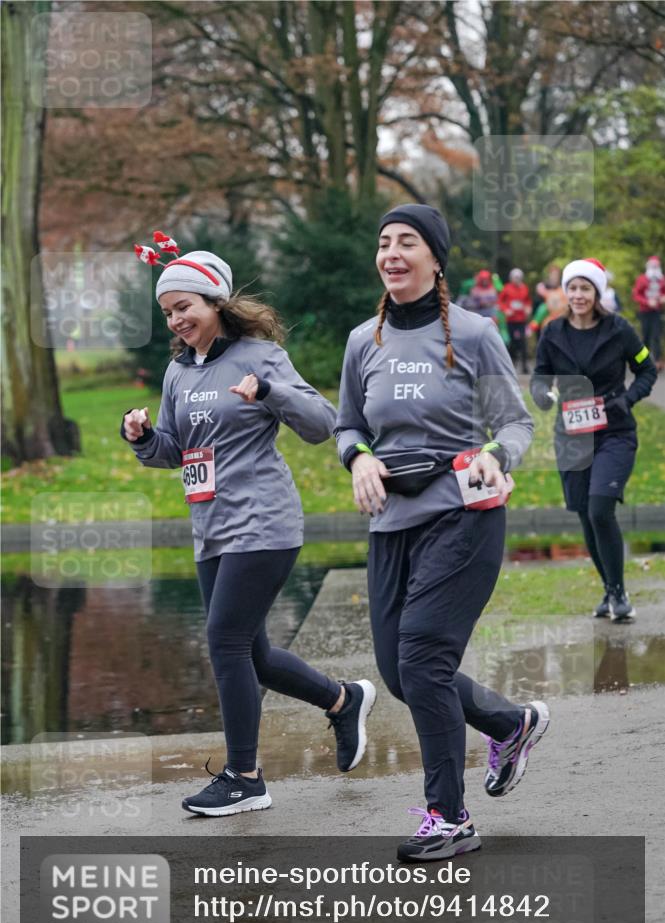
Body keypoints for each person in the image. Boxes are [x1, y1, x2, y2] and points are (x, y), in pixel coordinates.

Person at [122, 241, 376, 816]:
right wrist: (142, 438)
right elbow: (175, 449)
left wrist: (267, 391)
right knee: (251, 652)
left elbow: (322, 422)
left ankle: (245, 776)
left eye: (184, 306)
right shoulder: (178, 371)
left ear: (215, 301)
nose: (176, 320)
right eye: (167, 312)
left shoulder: (259, 356)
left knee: (225, 642)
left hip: (263, 520)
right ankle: (343, 699)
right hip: (210, 527)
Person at [335, 203, 548, 863]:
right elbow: (348, 425)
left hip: (463, 514)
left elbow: (515, 422)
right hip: (390, 522)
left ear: (434, 258)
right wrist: (358, 459)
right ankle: (510, 724)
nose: (391, 253)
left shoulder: (475, 332)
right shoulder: (361, 341)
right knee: (400, 673)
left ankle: (447, 817)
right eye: (384, 242)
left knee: (422, 657)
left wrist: (496, 455)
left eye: (407, 242)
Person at [530, 258, 657, 621]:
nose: (578, 295)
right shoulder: (553, 332)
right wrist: (542, 394)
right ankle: (610, 590)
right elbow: (540, 376)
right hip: (571, 437)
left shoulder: (619, 329)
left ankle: (618, 594)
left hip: (614, 433)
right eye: (572, 288)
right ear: (565, 292)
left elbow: (646, 369)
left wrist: (627, 400)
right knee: (586, 516)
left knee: (601, 508)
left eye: (585, 288)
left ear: (597, 293)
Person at [632, 256, 665, 369]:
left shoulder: (662, 280)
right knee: (645, 336)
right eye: (652, 266)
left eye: (656, 266)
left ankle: (657, 362)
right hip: (644, 312)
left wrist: (663, 298)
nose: (654, 268)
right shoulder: (642, 279)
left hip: (657, 312)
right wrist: (647, 302)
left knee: (656, 336)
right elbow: (636, 294)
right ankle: (642, 360)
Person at [498, 268, 532, 373]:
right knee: (512, 342)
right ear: (511, 278)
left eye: (519, 277)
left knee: (523, 342)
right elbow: (500, 302)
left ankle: (524, 366)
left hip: (521, 320)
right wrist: (506, 310)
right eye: (515, 277)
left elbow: (528, 301)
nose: (517, 279)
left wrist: (528, 308)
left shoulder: (524, 288)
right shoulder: (506, 288)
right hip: (511, 320)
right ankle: (511, 364)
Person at [529, 264, 567, 339]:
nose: (554, 277)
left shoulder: (563, 289)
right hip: (546, 323)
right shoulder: (543, 288)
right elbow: (538, 307)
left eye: (556, 275)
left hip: (561, 321)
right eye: (552, 275)